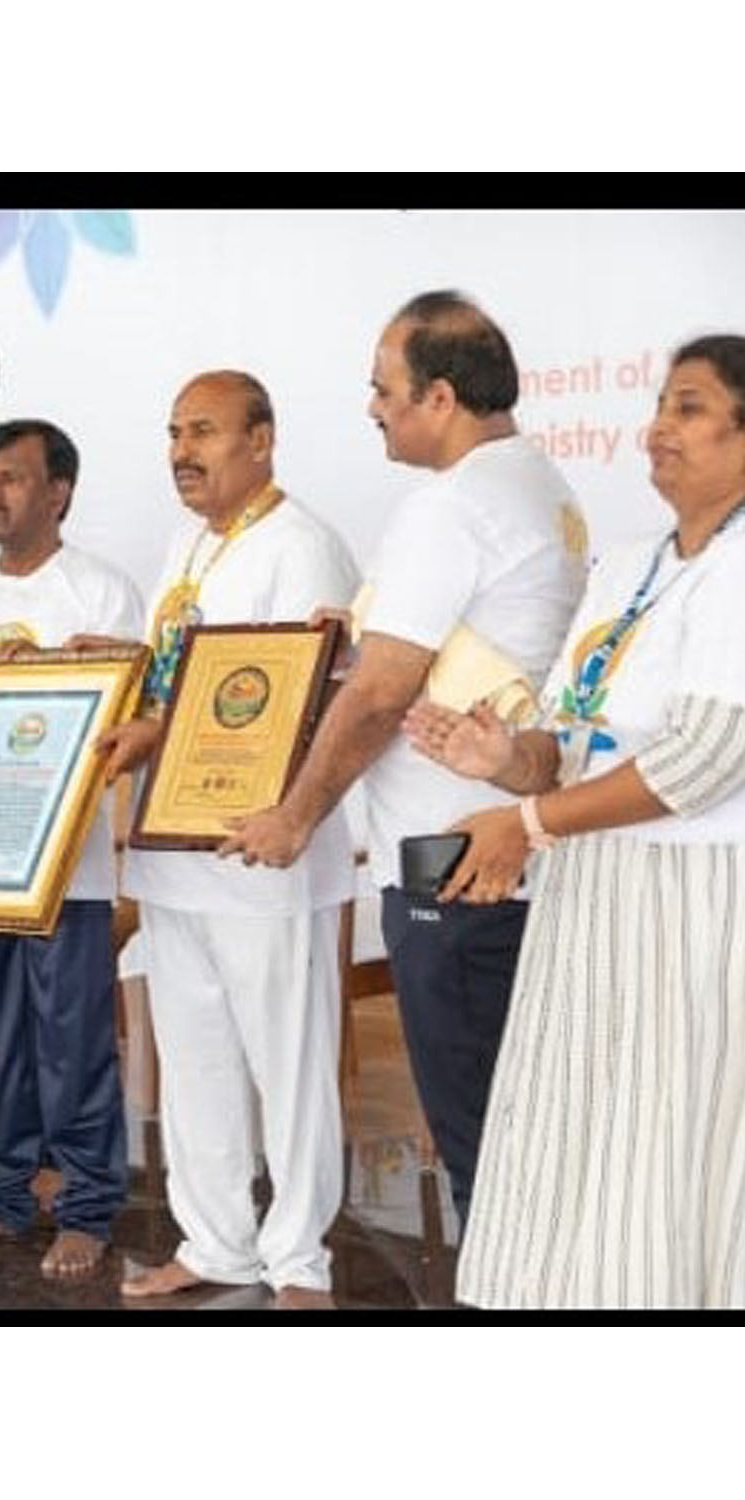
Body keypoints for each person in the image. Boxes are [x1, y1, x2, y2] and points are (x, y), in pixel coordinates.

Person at [219, 291, 588, 1232]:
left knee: (483, 1147)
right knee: (520, 1129)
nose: (372, 408)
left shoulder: (450, 506)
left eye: (384, 389)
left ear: (441, 397)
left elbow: (385, 692)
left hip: (448, 862)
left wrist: (294, 816)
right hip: (499, 850)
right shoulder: (535, 483)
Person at [404, 335, 745, 1309]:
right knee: (581, 1133)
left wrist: (528, 819)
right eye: (661, 404)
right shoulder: (629, 565)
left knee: (665, 1143)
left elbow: (706, 757)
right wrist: (505, 759)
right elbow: (566, 737)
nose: (660, 427)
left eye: (690, 407)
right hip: (590, 899)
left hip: (690, 907)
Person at [98, 371, 359, 1308]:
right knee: (198, 1058)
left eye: (203, 432)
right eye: (174, 433)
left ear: (263, 439)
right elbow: (181, 685)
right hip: (175, 852)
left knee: (287, 1065)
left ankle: (298, 1261)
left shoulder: (304, 547)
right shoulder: (191, 545)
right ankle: (215, 1243)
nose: (183, 452)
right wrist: (126, 695)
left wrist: (166, 729)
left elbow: (310, 698)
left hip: (262, 853)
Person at [0, 418, 143, 1278]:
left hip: (66, 862)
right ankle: (4, 1194)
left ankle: (86, 1206)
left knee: (73, 1038)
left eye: (10, 478)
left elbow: (124, 720)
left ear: (59, 492)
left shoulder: (100, 592)